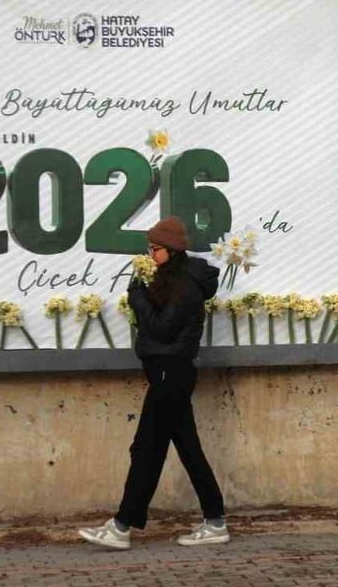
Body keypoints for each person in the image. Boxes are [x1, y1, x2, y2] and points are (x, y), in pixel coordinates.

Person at [79, 216, 228, 550]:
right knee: (186, 449)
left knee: (146, 449)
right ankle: (215, 520)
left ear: (171, 250)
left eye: (155, 248)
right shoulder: (172, 278)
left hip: (170, 374)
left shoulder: (187, 285)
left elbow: (162, 328)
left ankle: (121, 526)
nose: (150, 254)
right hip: (166, 372)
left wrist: (137, 297)